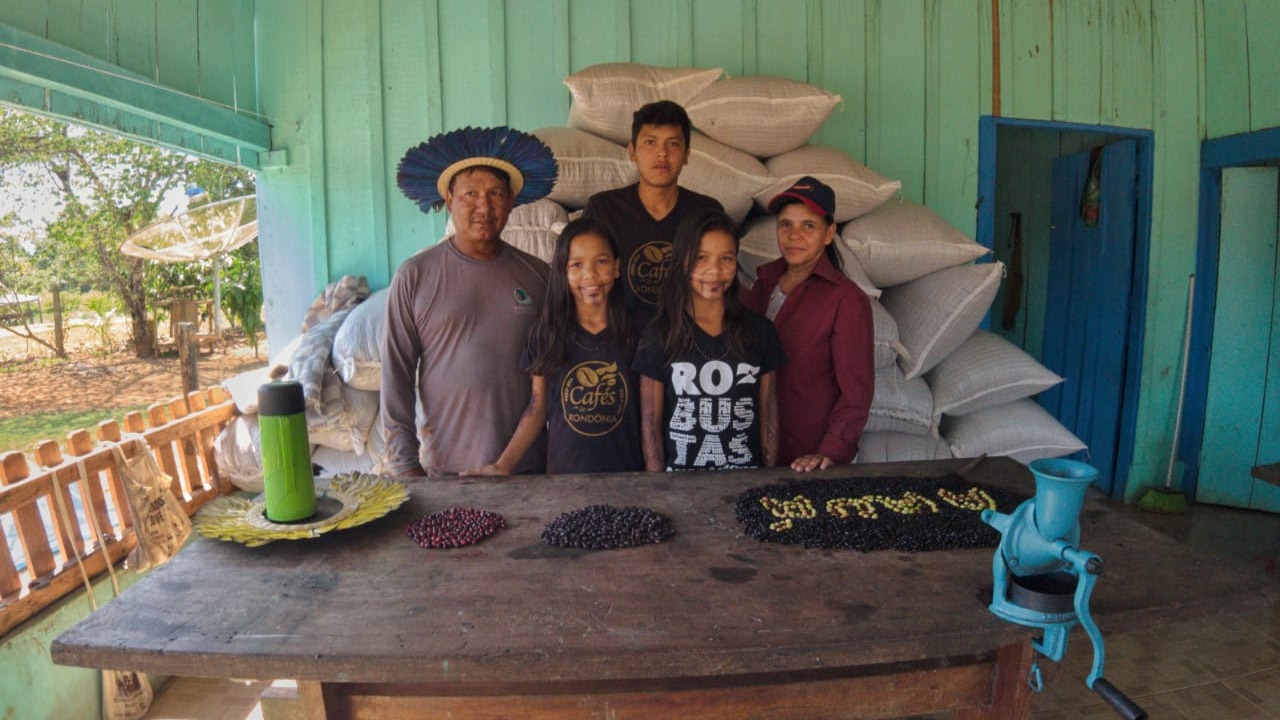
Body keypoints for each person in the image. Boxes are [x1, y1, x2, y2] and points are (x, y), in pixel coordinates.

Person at [381, 126, 558, 477]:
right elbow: (396, 377)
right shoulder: (415, 276)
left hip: (526, 472)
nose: (483, 206)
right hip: (447, 472)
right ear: (449, 199)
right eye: (470, 194)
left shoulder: (539, 276)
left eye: (495, 194)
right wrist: (405, 466)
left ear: (511, 201)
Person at [464, 218, 644, 475]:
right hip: (564, 478)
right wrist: (503, 465)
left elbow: (651, 413)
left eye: (601, 262)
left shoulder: (637, 333)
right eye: (576, 265)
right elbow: (538, 407)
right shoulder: (547, 333)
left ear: (616, 267)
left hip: (628, 477)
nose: (590, 275)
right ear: (562, 271)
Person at [633, 209, 786, 472]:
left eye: (726, 258)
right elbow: (650, 420)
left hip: (745, 480)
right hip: (678, 483)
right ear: (682, 261)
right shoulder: (660, 334)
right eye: (701, 258)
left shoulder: (760, 331)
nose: (714, 271)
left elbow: (768, 410)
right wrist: (657, 485)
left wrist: (768, 477)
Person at [742, 176, 874, 472]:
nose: (794, 235)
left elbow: (856, 392)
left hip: (805, 455)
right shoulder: (765, 283)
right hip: (753, 445)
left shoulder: (845, 299)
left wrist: (831, 450)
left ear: (829, 233)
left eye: (809, 226)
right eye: (785, 224)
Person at [582, 100, 723, 332]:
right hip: (619, 336)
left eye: (673, 144)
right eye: (650, 142)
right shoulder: (604, 209)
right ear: (632, 152)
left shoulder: (706, 212)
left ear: (687, 154)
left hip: (686, 337)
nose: (662, 153)